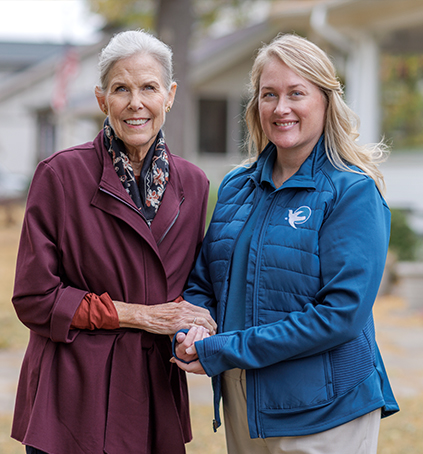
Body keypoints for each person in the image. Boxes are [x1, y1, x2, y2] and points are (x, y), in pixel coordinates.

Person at [173, 33, 399, 454]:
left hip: (326, 410)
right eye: (269, 94)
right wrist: (191, 330)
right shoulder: (238, 186)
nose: (281, 108)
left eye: (297, 93)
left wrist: (225, 349)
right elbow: (204, 282)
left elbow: (340, 315)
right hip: (246, 400)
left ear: (326, 101)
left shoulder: (351, 192)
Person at [11, 30, 216, 454]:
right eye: (121, 88)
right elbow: (35, 298)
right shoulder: (60, 176)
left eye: (149, 88)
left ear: (170, 95)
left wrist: (199, 323)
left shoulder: (193, 184)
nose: (135, 103)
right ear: (103, 99)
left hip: (154, 392)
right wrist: (140, 315)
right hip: (73, 397)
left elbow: (196, 286)